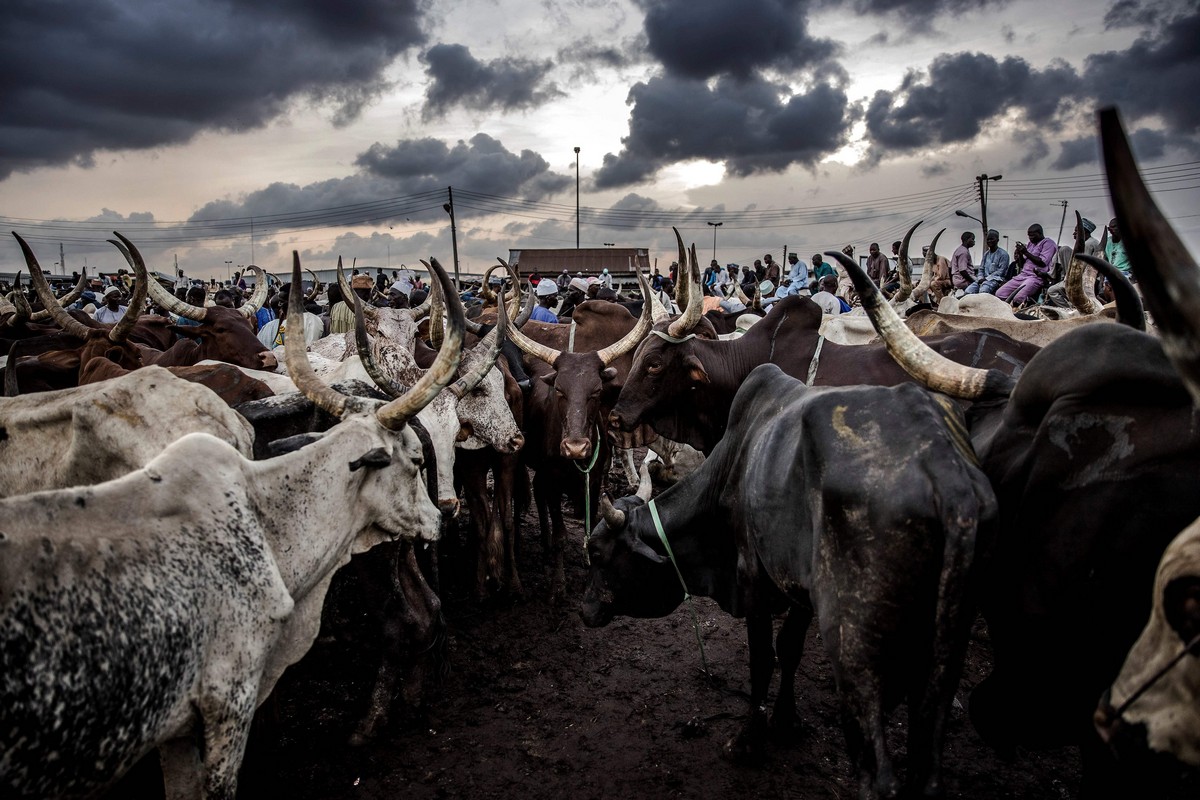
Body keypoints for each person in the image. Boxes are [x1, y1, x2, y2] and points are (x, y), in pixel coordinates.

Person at [1045, 218, 1102, 307]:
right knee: (1064, 249)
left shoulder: (1088, 244)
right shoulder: (1089, 242)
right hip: (1079, 276)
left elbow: (1082, 265)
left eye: (1076, 231)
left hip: (1083, 278)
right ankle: (1070, 307)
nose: (1074, 233)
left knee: (1052, 291)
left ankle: (1070, 308)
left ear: (1084, 232)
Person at [996, 224, 1057, 308]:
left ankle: (1018, 312)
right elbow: (1022, 265)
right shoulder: (1030, 244)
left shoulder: (1048, 243)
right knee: (999, 294)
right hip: (1022, 275)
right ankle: (1008, 309)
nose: (1030, 238)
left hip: (1036, 277)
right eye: (1029, 236)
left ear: (1040, 233)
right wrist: (1020, 253)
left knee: (1018, 297)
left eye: (1033, 236)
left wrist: (1025, 252)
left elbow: (1042, 262)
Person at [256, 282, 324, 347]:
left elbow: (276, 349)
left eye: (282, 302)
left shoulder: (286, 324)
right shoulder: (318, 320)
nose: (279, 305)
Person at [966, 230, 1010, 295]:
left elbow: (1001, 272)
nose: (989, 241)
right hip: (982, 280)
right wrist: (980, 278)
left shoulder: (1003, 254)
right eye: (988, 239)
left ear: (997, 240)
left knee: (983, 291)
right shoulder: (986, 254)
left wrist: (986, 279)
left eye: (992, 239)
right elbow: (981, 269)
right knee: (968, 291)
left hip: (995, 280)